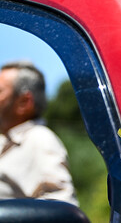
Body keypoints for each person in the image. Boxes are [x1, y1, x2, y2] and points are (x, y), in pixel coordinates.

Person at [0, 60, 78, 205]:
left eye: (0, 91)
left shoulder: (40, 139)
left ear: (24, 102)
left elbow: (62, 209)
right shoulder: (4, 140)